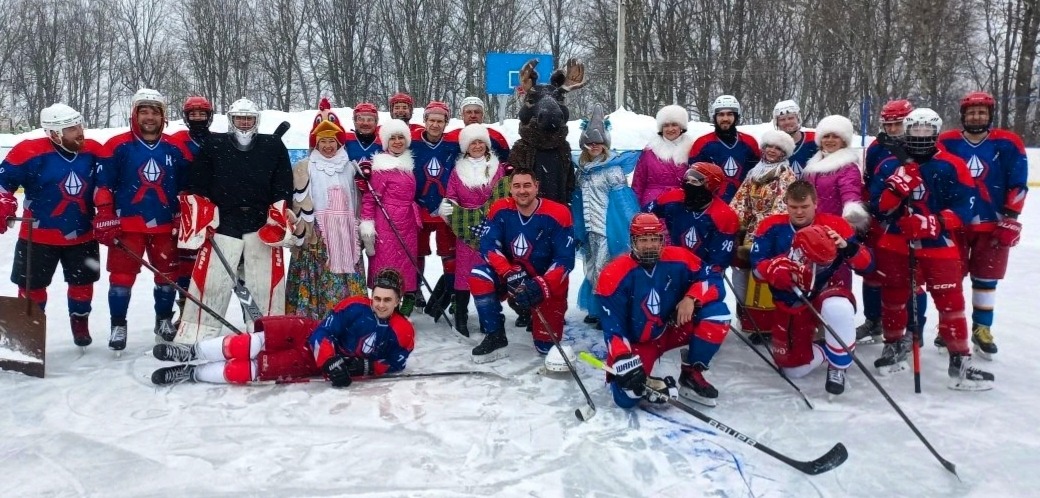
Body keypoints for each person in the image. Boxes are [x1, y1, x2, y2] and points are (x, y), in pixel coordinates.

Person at [868, 108, 993, 390]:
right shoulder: (890, 165)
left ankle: (959, 359)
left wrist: (936, 222)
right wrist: (896, 191)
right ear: (907, 130)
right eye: (916, 129)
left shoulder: (952, 164)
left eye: (927, 130)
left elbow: (966, 205)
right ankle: (893, 345)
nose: (921, 135)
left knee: (951, 301)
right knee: (894, 297)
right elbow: (877, 207)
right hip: (897, 243)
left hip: (939, 244)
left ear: (936, 132)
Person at [151, 268, 414, 387]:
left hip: (309, 362)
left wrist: (366, 367)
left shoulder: (403, 332)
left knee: (255, 369)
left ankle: (191, 373)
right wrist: (330, 360)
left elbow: (396, 363)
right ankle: (191, 351)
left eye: (387, 300)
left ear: (398, 301)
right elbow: (324, 332)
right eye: (377, 298)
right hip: (307, 333)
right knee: (251, 343)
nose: (380, 304)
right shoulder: (355, 305)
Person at [175, 98, 294, 344]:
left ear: (256, 120)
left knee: (262, 283)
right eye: (240, 118)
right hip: (224, 221)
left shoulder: (272, 146)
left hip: (259, 222)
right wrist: (204, 218)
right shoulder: (214, 145)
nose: (244, 123)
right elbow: (198, 184)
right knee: (212, 281)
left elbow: (283, 185)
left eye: (249, 118)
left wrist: (278, 215)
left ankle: (267, 332)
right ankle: (196, 334)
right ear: (231, 119)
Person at [595, 213, 730, 407]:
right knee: (627, 397)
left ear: (662, 240)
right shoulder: (613, 274)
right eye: (643, 240)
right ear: (633, 241)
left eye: (654, 239)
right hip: (639, 342)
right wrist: (623, 359)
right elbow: (613, 328)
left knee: (718, 315)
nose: (650, 245)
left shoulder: (679, 258)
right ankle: (642, 381)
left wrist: (692, 297)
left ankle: (691, 374)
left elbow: (713, 278)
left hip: (672, 328)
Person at [751, 181, 873, 395]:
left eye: (804, 207)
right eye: (793, 207)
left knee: (838, 308)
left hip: (828, 289)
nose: (799, 212)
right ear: (786, 204)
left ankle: (838, 364)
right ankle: (829, 348)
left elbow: (867, 266)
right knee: (793, 371)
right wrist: (773, 268)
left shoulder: (836, 224)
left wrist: (847, 247)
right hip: (792, 300)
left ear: (816, 203)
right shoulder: (770, 226)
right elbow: (756, 270)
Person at [96, 89, 191, 351]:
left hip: (165, 225)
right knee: (121, 278)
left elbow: (186, 187)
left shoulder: (176, 147)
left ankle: (163, 320)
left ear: (163, 116)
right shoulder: (116, 145)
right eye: (144, 111)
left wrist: (183, 214)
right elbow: (103, 185)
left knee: (167, 277)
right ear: (134, 114)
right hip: (127, 225)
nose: (150, 117)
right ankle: (118, 324)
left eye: (155, 112)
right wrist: (105, 214)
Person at [0, 104, 102, 346]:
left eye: (79, 125)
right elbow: (2, 184)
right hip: (37, 236)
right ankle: (29, 332)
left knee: (83, 283)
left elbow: (111, 183)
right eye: (71, 129)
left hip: (82, 233)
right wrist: (3, 203)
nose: (79, 132)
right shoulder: (28, 151)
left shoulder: (93, 151)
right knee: (32, 287)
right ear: (54, 134)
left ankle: (80, 320)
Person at [936, 91, 1028, 359]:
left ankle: (982, 328)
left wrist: (1011, 217)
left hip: (993, 224)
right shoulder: (947, 141)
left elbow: (1018, 181)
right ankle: (948, 327)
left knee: (986, 279)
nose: (976, 116)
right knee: (949, 279)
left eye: (982, 112)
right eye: (972, 112)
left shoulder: (1008, 142)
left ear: (990, 115)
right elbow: (935, 178)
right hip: (954, 222)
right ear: (963, 115)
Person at [468, 167, 576, 364]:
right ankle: (495, 334)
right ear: (510, 188)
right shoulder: (500, 209)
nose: (522, 190)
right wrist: (507, 272)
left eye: (527, 185)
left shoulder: (559, 213)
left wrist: (541, 285)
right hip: (513, 275)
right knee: (479, 275)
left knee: (545, 348)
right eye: (517, 186)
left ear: (536, 187)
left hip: (544, 281)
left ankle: (534, 313)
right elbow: (488, 246)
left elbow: (565, 260)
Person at [286, 99, 367, 320]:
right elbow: (296, 201)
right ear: (316, 143)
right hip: (318, 235)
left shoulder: (350, 167)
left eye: (332, 140)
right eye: (323, 141)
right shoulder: (304, 167)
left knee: (346, 275)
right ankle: (314, 318)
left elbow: (359, 200)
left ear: (339, 142)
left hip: (346, 234)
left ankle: (350, 317)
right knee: (319, 276)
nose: (328, 146)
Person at [570, 105, 640, 328]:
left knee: (605, 268)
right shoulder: (582, 170)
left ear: (605, 144)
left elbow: (624, 202)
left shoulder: (613, 170)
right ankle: (596, 307)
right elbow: (578, 201)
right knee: (591, 267)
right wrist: (578, 227)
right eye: (590, 142)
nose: (594, 146)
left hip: (608, 228)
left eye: (599, 142)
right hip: (589, 228)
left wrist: (627, 227)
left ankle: (607, 310)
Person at [857, 99, 919, 342]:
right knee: (872, 271)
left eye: (897, 124)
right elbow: (868, 181)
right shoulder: (876, 147)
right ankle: (873, 320)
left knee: (910, 279)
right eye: (888, 124)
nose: (892, 129)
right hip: (878, 217)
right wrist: (866, 212)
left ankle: (914, 329)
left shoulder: (921, 143)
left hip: (909, 221)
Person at [728, 129, 798, 342]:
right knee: (743, 273)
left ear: (784, 152)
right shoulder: (754, 173)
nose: (772, 151)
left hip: (772, 233)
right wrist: (733, 223)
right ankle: (748, 317)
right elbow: (741, 201)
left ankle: (766, 325)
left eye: (778, 148)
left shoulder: (785, 175)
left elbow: (782, 207)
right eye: (769, 146)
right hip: (751, 230)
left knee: (765, 276)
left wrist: (766, 230)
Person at [440, 124, 508, 336]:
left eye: (480, 142)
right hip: (466, 227)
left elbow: (503, 196)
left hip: (491, 226)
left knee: (488, 273)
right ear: (465, 147)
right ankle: (460, 315)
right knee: (463, 274)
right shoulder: (458, 170)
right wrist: (447, 206)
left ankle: (488, 316)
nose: (477, 146)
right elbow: (452, 194)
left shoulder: (497, 168)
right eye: (473, 143)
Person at [647, 162, 739, 299]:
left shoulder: (725, 216)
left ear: (710, 186)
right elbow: (645, 215)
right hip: (671, 264)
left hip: (703, 272)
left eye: (695, 181)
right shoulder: (673, 197)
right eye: (687, 180)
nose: (688, 184)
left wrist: (693, 295)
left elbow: (717, 264)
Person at [358, 119, 422, 314]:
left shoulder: (407, 163)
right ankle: (382, 307)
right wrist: (367, 225)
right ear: (386, 142)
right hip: (387, 223)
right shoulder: (382, 167)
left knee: (405, 265)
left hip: (407, 223)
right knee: (386, 265)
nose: (397, 141)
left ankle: (400, 307)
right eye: (392, 138)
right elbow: (370, 198)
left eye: (401, 137)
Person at [411, 101, 461, 318]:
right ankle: (414, 291)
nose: (435, 124)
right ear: (425, 121)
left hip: (445, 209)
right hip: (419, 208)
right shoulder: (412, 143)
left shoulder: (453, 145)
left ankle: (452, 292)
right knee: (417, 251)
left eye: (440, 121)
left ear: (446, 123)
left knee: (449, 253)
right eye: (431, 120)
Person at [169, 96, 215, 320]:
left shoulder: (218, 140)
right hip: (185, 205)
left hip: (212, 206)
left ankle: (208, 309)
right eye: (193, 114)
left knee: (211, 259)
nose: (197, 118)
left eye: (202, 114)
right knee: (185, 262)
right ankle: (185, 311)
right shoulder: (177, 141)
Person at [689, 95, 761, 203]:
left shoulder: (750, 142)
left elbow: (758, 175)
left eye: (730, 114)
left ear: (736, 116)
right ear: (715, 117)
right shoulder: (701, 143)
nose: (725, 119)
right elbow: (693, 179)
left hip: (744, 203)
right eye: (721, 114)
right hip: (713, 204)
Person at [631, 105, 695, 207]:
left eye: (674, 124)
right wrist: (634, 206)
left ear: (681, 127)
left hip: (681, 204)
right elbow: (638, 183)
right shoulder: (650, 151)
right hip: (652, 204)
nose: (670, 129)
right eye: (666, 125)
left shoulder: (692, 150)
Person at [444, 97, 510, 162]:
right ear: (462, 115)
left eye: (477, 112)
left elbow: (507, 163)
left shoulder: (496, 137)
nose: (473, 116)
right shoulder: (451, 137)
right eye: (468, 112)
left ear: (483, 115)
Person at [771, 100, 817, 177]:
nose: (787, 122)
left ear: (798, 118)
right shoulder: (771, 146)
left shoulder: (814, 139)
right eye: (782, 119)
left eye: (791, 118)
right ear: (777, 123)